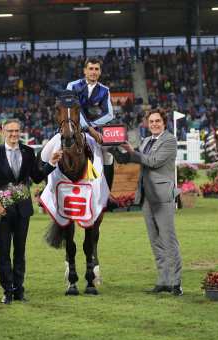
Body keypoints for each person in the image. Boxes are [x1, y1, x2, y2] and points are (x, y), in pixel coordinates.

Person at [0, 119, 62, 304]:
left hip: (23, 209)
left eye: (17, 131)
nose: (14, 134)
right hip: (2, 210)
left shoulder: (28, 152)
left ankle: (19, 290)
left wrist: (51, 163)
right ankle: (7, 291)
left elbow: (36, 177)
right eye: (10, 131)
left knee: (20, 252)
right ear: (3, 132)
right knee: (3, 252)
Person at [110, 109, 183, 296]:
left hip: (162, 196)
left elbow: (153, 161)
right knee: (155, 241)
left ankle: (176, 283)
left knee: (168, 240)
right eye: (151, 122)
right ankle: (163, 280)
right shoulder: (146, 141)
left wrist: (133, 152)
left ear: (164, 123)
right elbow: (136, 160)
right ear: (147, 124)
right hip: (146, 196)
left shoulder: (170, 140)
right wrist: (115, 149)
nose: (155, 124)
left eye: (158, 121)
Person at [41, 58, 115, 187]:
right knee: (44, 153)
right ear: (85, 71)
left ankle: (107, 194)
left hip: (94, 130)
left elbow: (109, 114)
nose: (93, 72)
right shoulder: (72, 85)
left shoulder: (105, 90)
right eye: (90, 69)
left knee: (108, 156)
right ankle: (47, 189)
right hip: (70, 127)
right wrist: (87, 127)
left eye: (96, 69)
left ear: (100, 72)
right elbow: (71, 108)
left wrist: (90, 127)